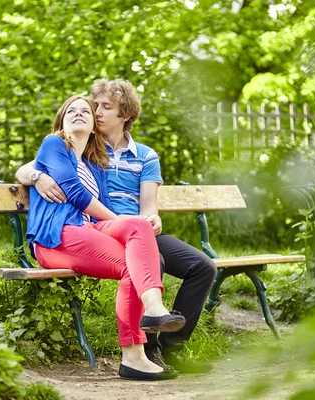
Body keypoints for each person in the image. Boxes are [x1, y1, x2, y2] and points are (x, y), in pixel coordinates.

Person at [16, 80, 217, 374]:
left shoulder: (117, 156)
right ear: (62, 120)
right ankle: (145, 347)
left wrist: (152, 218)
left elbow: (147, 205)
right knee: (143, 259)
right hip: (85, 231)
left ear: (125, 114)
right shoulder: (73, 148)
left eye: (102, 107)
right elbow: (35, 168)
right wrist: (35, 176)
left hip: (123, 231)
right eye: (90, 106)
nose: (94, 112)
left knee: (202, 266)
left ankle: (166, 344)